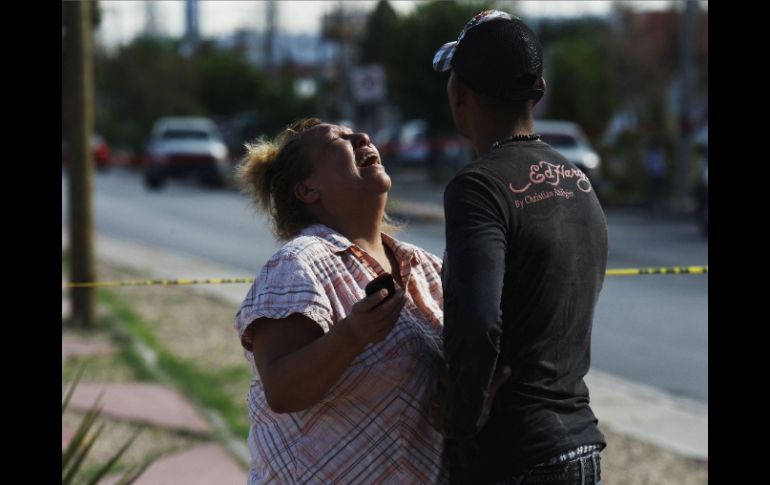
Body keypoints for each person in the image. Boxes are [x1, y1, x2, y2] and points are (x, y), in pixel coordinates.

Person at [432, 10, 608, 484]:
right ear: (540, 91)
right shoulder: (578, 182)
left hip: (514, 455)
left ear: (458, 94)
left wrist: (460, 420)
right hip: (580, 445)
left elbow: (478, 323)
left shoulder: (478, 188)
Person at [233, 118, 447, 483]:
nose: (362, 137)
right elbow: (282, 391)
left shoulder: (424, 266)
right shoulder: (299, 262)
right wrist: (352, 334)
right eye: (339, 140)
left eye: (356, 133)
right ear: (308, 190)